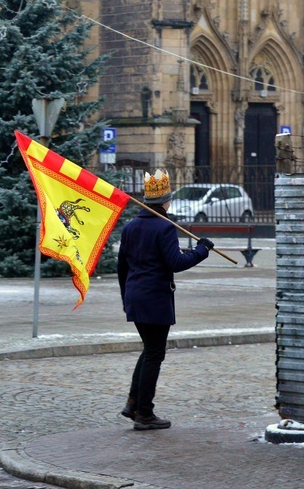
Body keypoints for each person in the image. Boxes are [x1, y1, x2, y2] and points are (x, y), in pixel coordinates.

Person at [117, 169, 214, 430]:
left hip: (135, 296)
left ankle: (133, 403)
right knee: (155, 354)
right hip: (155, 299)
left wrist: (125, 297)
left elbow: (122, 267)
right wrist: (201, 250)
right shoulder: (165, 227)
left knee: (149, 349)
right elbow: (177, 262)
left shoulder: (130, 227)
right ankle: (144, 414)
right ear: (165, 201)